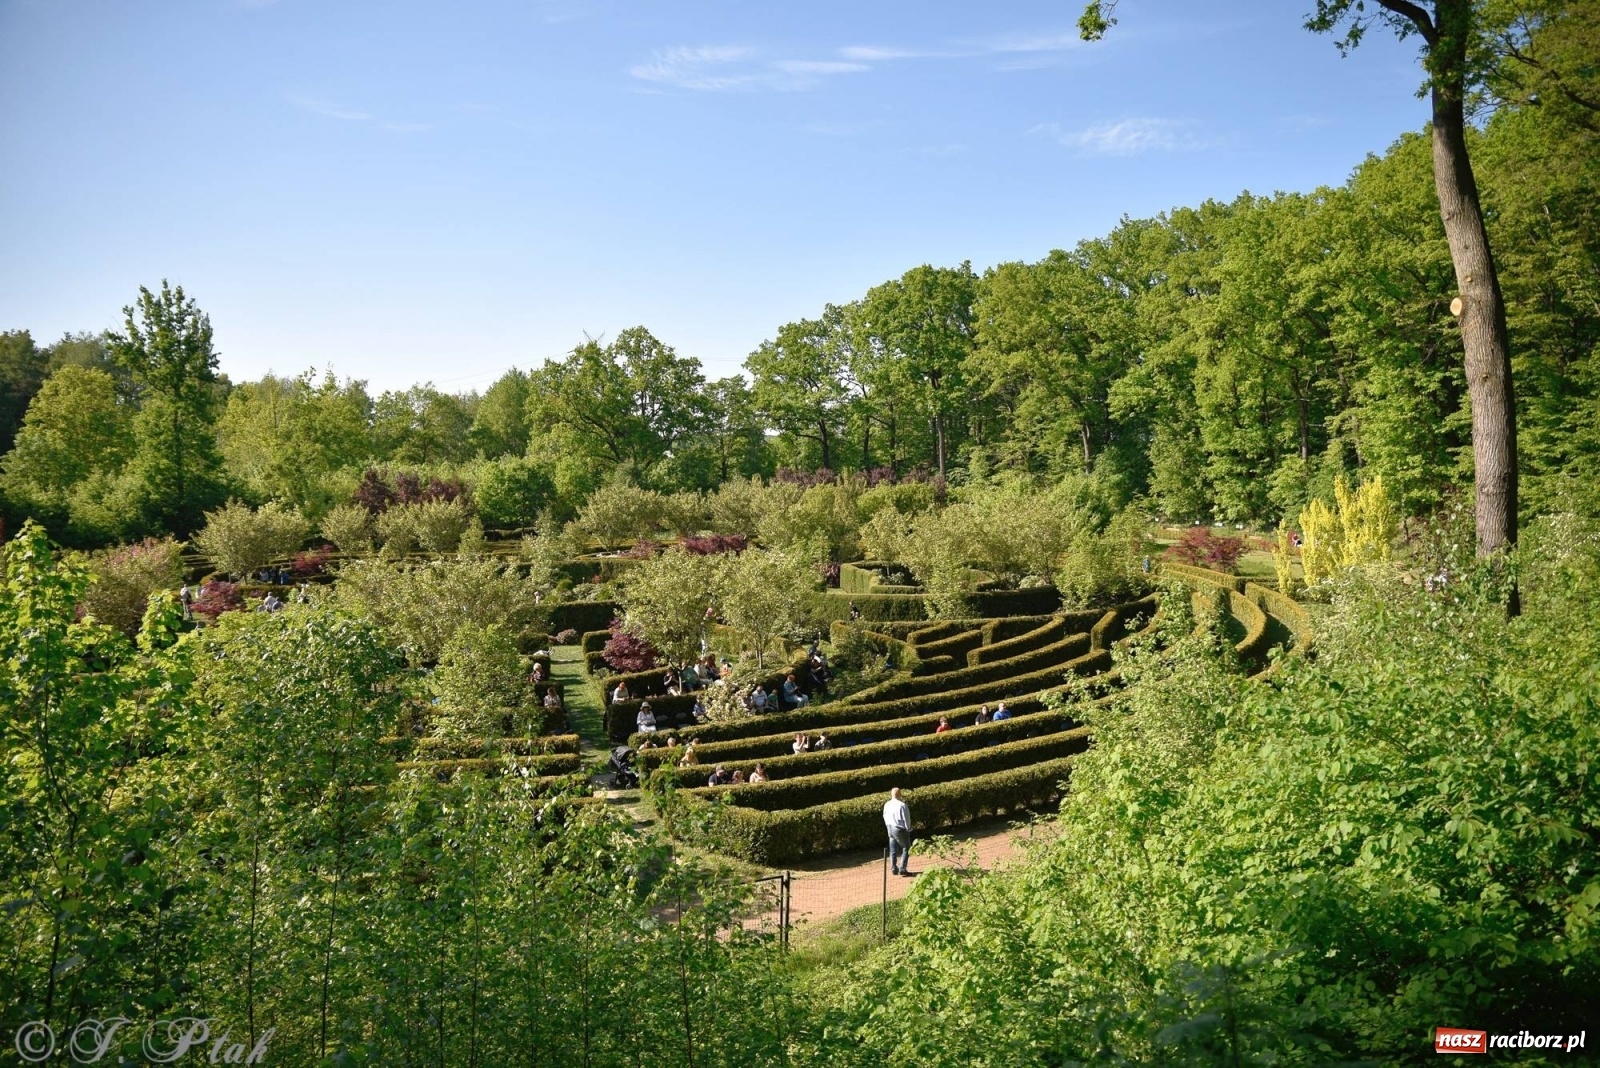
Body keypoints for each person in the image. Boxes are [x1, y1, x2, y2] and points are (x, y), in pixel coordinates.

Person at [883, 788, 913, 876]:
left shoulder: (887, 804)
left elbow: (884, 816)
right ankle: (902, 868)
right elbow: (906, 819)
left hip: (890, 827)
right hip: (899, 829)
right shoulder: (902, 805)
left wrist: (888, 826)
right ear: (900, 794)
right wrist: (908, 828)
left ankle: (893, 867)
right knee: (906, 848)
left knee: (893, 849)